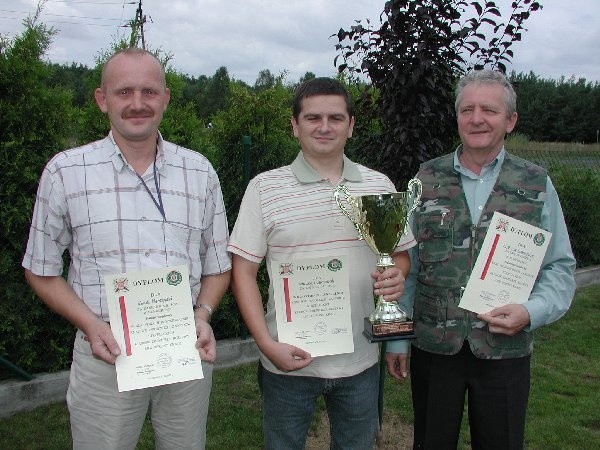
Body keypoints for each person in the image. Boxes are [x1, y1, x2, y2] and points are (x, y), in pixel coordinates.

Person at [22, 48, 231, 449]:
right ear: (102, 99)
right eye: (124, 92)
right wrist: (90, 325)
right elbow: (40, 268)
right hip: (105, 354)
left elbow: (217, 264)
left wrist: (203, 314)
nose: (138, 103)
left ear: (166, 98)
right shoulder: (65, 172)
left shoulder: (199, 172)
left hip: (184, 349)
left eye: (149, 92)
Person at [385, 69, 576, 449]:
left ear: (510, 120)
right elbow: (406, 263)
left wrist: (532, 311)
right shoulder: (425, 180)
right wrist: (396, 340)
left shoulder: (536, 183)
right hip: (435, 347)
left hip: (505, 348)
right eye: (467, 109)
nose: (476, 118)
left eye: (489, 109)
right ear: (456, 118)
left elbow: (559, 267)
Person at [227, 77, 416, 450]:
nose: (325, 127)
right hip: (288, 360)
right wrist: (265, 343)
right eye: (313, 117)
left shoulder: (379, 185)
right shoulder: (264, 188)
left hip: (360, 359)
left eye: (335, 117)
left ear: (351, 125)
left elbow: (400, 255)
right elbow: (243, 272)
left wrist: (397, 276)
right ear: (295, 126)